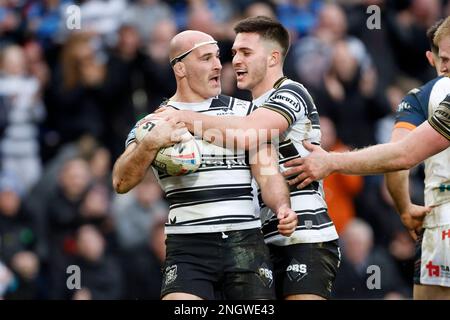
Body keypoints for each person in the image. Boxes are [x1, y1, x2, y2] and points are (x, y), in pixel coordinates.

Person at [157, 16, 340, 300]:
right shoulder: (248, 108)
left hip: (305, 235)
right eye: (233, 53)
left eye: (246, 53)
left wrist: (182, 116)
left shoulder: (291, 92)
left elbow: (248, 134)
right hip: (263, 239)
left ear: (272, 58)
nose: (235, 61)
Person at [112, 30, 297, 300]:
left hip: (244, 241)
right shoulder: (154, 122)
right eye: (206, 58)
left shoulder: (246, 115)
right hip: (188, 245)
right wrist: (149, 145)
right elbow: (120, 181)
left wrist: (282, 206)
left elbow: (268, 175)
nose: (218, 65)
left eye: (218, 57)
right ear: (180, 68)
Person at [282, 17, 450, 299]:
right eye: (443, 59)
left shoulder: (422, 97)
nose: (445, 68)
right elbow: (398, 159)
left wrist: (331, 161)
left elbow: (402, 156)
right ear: (430, 57)